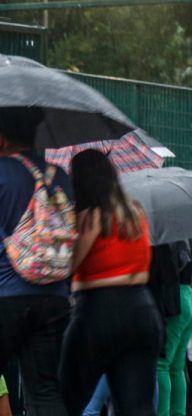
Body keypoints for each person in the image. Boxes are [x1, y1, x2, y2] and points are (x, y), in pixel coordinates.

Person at [0, 107, 73, 416]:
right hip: (52, 297)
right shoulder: (57, 176)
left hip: (0, 297)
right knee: (45, 389)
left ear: (1, 137)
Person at [58, 149, 160, 415]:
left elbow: (70, 264)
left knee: (66, 398)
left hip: (98, 310)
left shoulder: (91, 216)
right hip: (142, 308)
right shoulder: (135, 213)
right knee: (137, 406)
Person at [157, 237, 192, 416]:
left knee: (161, 365)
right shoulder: (183, 233)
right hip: (187, 295)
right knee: (176, 367)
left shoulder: (166, 237)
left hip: (173, 300)